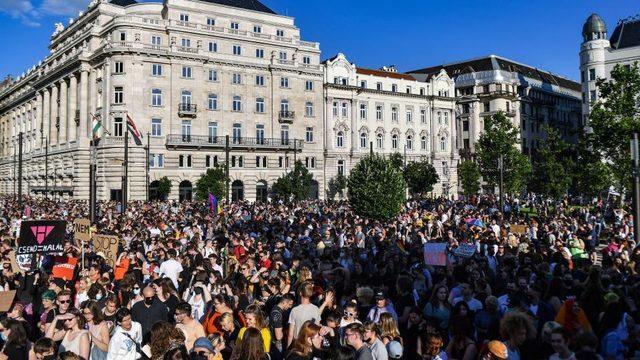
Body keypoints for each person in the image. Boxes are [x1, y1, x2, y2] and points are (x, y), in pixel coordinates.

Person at [287, 281, 320, 347]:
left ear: (300, 293)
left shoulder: (294, 310)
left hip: (298, 344)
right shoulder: (316, 309)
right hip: (310, 344)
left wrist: (288, 348)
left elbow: (290, 334)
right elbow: (317, 329)